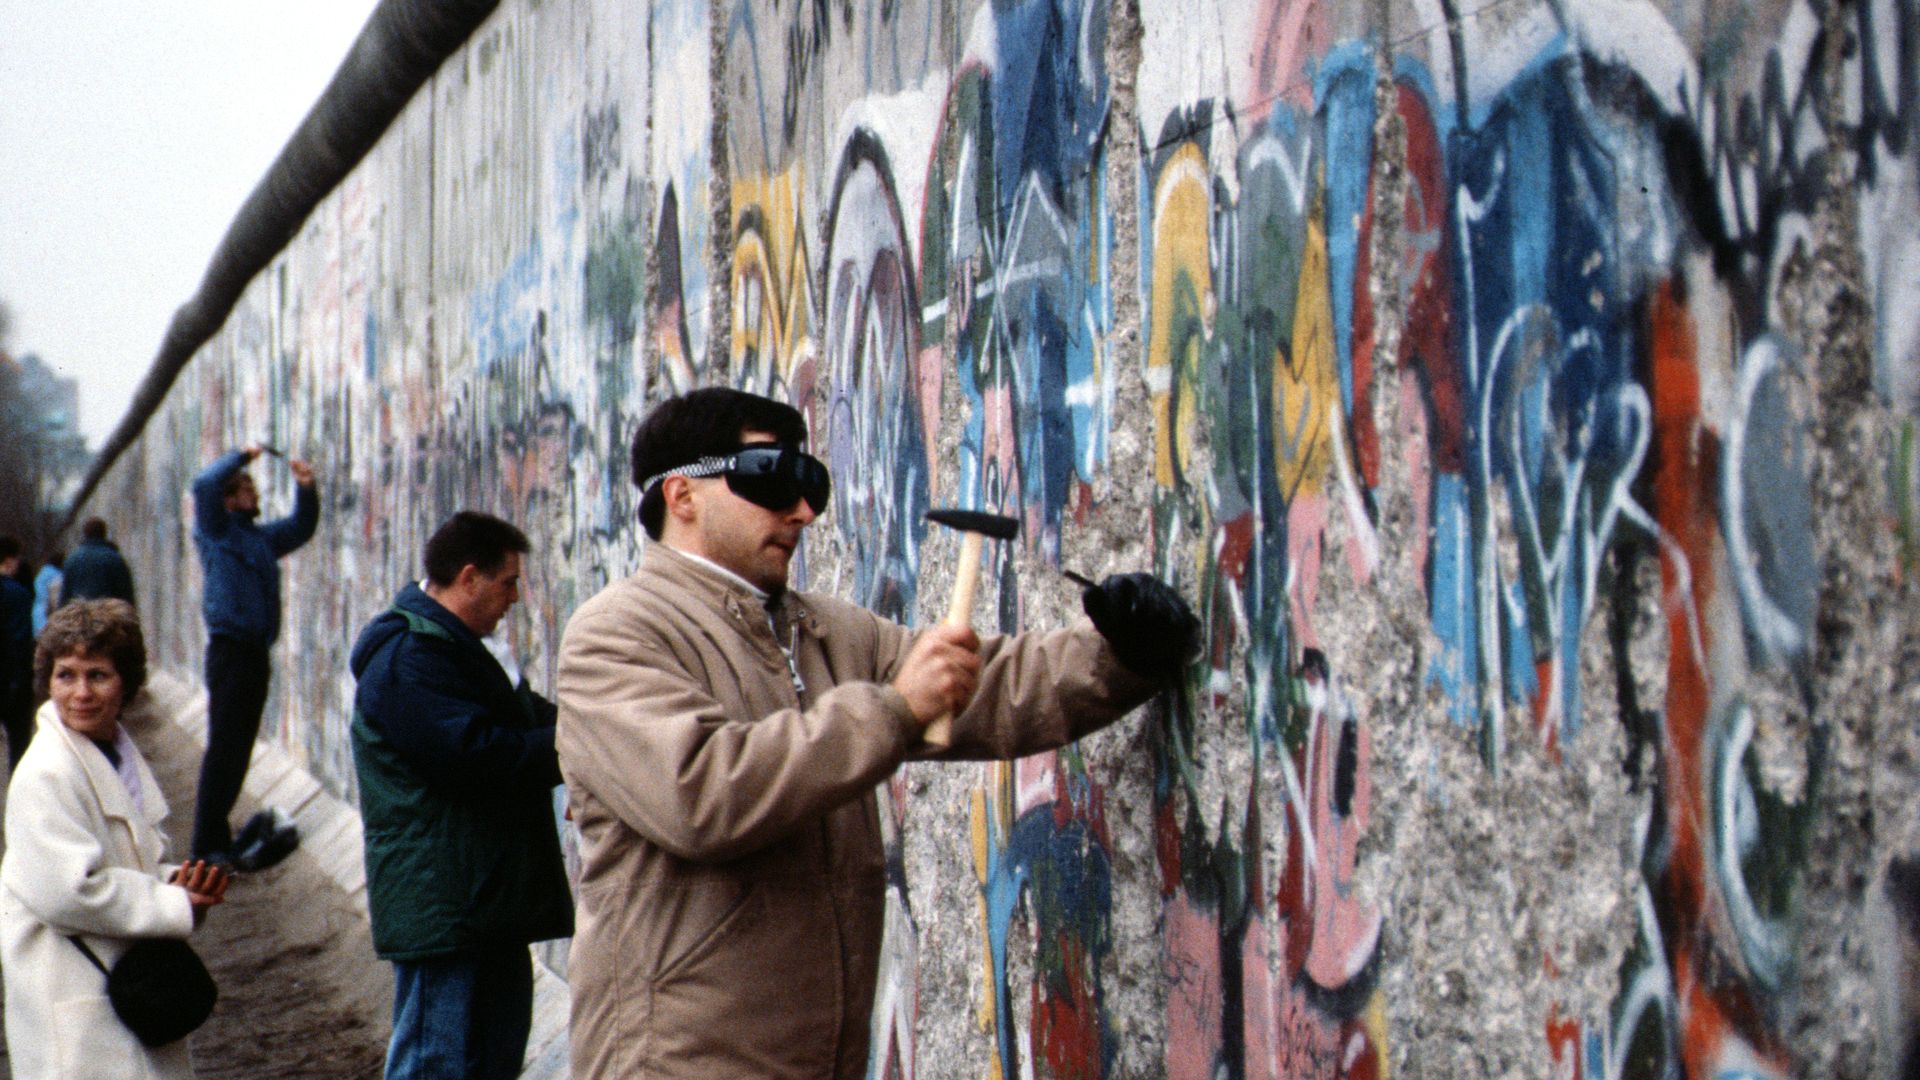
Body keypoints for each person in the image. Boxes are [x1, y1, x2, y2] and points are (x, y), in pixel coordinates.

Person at [555, 387, 1199, 1077]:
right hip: (678, 1063)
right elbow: (703, 794)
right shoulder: (616, 636)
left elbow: (986, 689)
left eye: (809, 483)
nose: (801, 511)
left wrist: (1119, 655)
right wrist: (894, 709)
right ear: (682, 496)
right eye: (771, 480)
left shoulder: (823, 629)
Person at [349, 511, 573, 1080]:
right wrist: (579, 743)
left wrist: (597, 733)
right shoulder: (409, 658)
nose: (516, 598)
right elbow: (475, 756)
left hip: (484, 897)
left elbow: (530, 720)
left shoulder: (462, 649)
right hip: (444, 905)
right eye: (509, 582)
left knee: (490, 1058)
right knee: (434, 1063)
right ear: (469, 577)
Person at [0, 599, 232, 1078]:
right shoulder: (45, 772)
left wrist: (175, 881)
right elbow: (67, 891)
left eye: (98, 675)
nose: (80, 693)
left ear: (126, 682)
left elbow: (124, 859)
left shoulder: (112, 752)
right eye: (66, 675)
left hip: (112, 984)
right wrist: (172, 904)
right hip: (70, 990)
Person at [189, 446, 319, 866]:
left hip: (254, 654)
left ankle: (216, 839)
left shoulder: (259, 538)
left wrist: (306, 488)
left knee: (238, 747)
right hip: (229, 651)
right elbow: (204, 484)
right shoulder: (216, 529)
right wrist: (241, 456)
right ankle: (206, 844)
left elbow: (301, 527)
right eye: (248, 488)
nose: (256, 494)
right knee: (225, 746)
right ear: (230, 497)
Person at [0, 536, 35, 768]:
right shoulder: (18, 594)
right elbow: (21, 640)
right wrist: (22, 680)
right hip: (11, 679)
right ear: (10, 561)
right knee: (19, 744)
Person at [61, 517, 136, 605]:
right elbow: (126, 594)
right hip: (109, 613)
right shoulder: (115, 559)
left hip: (80, 614)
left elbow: (65, 595)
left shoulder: (72, 559)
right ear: (104, 533)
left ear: (85, 534)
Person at [31, 547, 63, 634]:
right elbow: (55, 600)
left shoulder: (42, 573)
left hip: (37, 614)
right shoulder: (57, 576)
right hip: (48, 615)